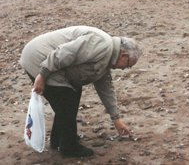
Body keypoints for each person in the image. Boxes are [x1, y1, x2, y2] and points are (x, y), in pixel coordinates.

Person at [20, 26, 142, 158]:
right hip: (38, 58)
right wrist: (42, 75)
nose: (125, 69)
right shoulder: (102, 44)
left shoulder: (108, 58)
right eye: (128, 64)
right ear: (123, 55)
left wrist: (116, 119)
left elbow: (106, 88)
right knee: (67, 99)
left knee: (72, 94)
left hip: (50, 63)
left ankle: (59, 140)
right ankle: (68, 147)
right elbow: (65, 53)